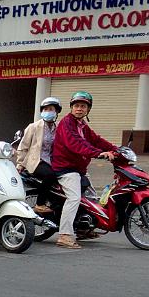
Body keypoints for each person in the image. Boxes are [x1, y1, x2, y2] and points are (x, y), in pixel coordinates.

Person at [51, 90, 116, 250]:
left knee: (92, 199)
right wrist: (98, 153)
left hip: (78, 168)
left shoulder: (83, 125)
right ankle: (64, 235)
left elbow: (96, 140)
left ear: (88, 109)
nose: (79, 109)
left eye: (83, 106)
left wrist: (116, 149)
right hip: (65, 168)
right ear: (71, 107)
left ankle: (82, 229)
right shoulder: (67, 123)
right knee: (74, 198)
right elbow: (76, 143)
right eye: (77, 106)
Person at [16, 97, 63, 212]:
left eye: (51, 109)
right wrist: (20, 164)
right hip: (36, 161)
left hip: (52, 161)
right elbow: (23, 146)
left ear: (57, 112)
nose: (48, 112)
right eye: (45, 109)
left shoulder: (59, 128)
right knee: (50, 175)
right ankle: (39, 204)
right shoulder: (33, 127)